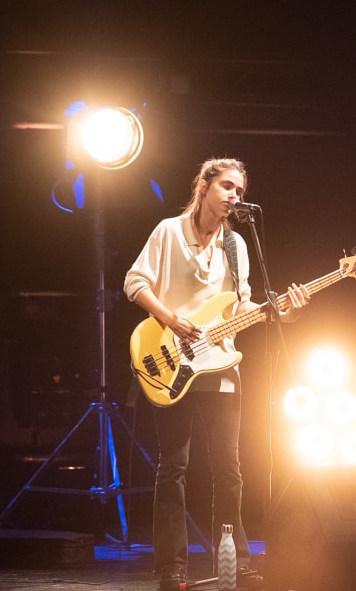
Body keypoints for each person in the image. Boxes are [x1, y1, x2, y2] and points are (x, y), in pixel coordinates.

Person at [124, 157, 311, 591]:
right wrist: (171, 319)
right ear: (204, 187)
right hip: (171, 360)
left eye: (240, 190)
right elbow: (135, 283)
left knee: (229, 468)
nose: (234, 196)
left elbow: (241, 305)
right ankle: (171, 567)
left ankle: (236, 563)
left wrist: (282, 311)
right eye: (227, 186)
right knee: (173, 467)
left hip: (221, 365)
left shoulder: (236, 244)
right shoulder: (169, 231)